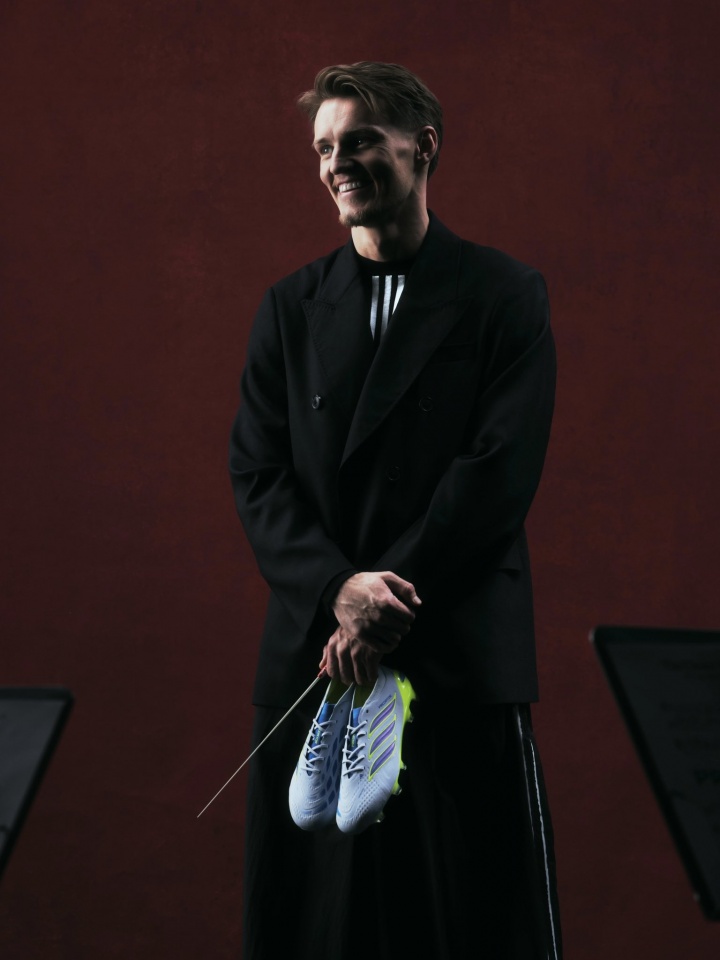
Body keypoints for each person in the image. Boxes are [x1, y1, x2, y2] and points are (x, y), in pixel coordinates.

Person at [229, 61, 561, 960]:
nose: (337, 162)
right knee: (316, 934)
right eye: (323, 147)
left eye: (361, 140)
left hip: (453, 654)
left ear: (425, 149)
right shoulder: (289, 307)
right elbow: (257, 472)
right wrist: (338, 590)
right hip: (317, 658)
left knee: (465, 929)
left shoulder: (504, 294)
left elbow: (497, 473)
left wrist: (383, 604)